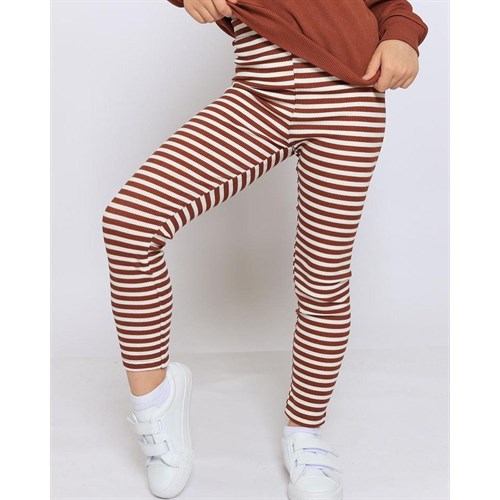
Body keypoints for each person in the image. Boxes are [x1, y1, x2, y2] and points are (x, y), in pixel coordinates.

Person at [101, 1, 429, 499]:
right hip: (257, 96)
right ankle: (155, 407)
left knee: (322, 276)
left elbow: (390, 4)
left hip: (349, 98)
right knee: (129, 223)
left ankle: (305, 431)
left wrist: (402, 36)